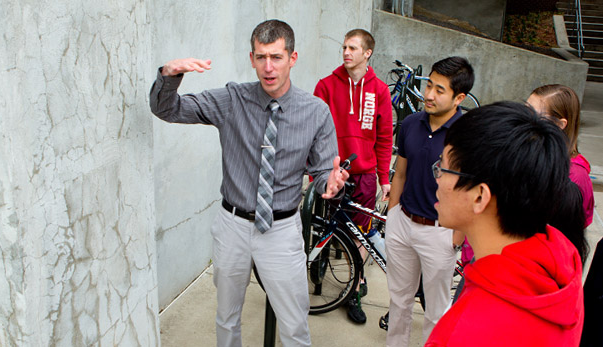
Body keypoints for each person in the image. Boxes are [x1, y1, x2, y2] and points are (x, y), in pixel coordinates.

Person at [149, 19, 349, 347]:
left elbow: (325, 171)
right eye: (260, 57)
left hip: (282, 230)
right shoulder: (232, 100)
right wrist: (169, 76)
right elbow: (167, 109)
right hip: (232, 227)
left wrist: (330, 184)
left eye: (276, 57)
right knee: (227, 318)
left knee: (295, 324)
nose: (268, 67)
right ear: (251, 58)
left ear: (293, 58)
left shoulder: (316, 112)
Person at [425, 101, 585, 346]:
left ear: (480, 196)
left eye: (443, 168)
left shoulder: (462, 332)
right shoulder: (561, 267)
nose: (436, 179)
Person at [383, 56, 474, 346]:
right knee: (399, 302)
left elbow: (471, 190)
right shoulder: (410, 123)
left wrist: (456, 239)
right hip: (403, 223)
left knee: (436, 311)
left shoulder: (467, 135)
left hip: (440, 233)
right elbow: (400, 173)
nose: (429, 95)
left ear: (459, 97)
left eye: (440, 90)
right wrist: (393, 216)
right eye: (429, 86)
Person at [313, 28, 393, 324]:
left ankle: (355, 289)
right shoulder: (326, 86)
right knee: (329, 228)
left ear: (367, 53)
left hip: (365, 175)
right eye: (344, 47)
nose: (346, 52)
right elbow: (314, 132)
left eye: (353, 48)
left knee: (360, 235)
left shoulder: (380, 91)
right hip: (334, 172)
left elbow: (384, 138)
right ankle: (324, 270)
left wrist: (384, 178)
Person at [527, 84, 595, 228]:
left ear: (560, 124)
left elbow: (572, 231)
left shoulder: (575, 176)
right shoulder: (530, 152)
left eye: (533, 114)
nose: (524, 118)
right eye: (525, 109)